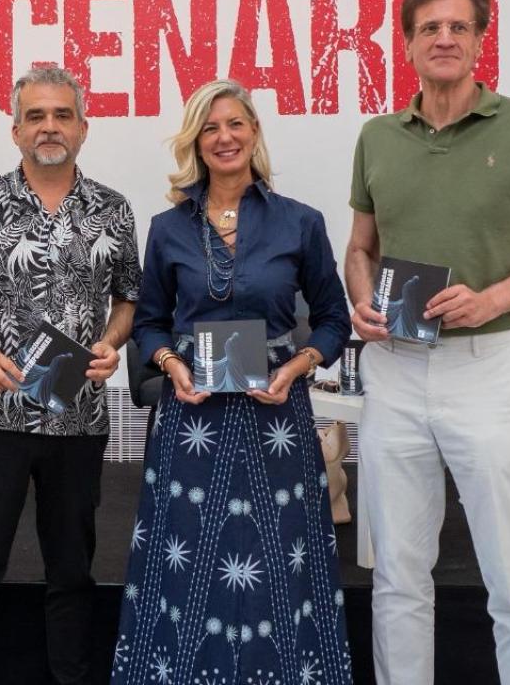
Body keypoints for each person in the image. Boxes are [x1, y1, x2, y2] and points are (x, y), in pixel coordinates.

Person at [345, 0, 510, 685]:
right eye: (430, 28)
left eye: (459, 27)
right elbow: (360, 249)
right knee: (397, 576)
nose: (444, 39)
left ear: (481, 41)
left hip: (488, 366)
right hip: (395, 370)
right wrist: (363, 301)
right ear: (407, 45)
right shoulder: (377, 137)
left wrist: (490, 300)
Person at [114, 79, 354, 685]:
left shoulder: (300, 222)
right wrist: (171, 366)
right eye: (210, 127)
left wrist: (298, 366)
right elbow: (149, 323)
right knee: (186, 563)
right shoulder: (168, 227)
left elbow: (334, 319)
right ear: (195, 141)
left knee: (281, 564)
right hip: (192, 417)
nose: (224, 137)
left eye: (235, 124)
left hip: (277, 415)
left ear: (254, 132)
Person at [0, 66, 141, 685]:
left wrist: (110, 343)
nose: (48, 127)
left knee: (72, 574)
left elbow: (129, 299)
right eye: (35, 116)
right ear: (15, 130)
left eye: (61, 115)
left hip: (78, 421)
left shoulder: (113, 210)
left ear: (83, 128)